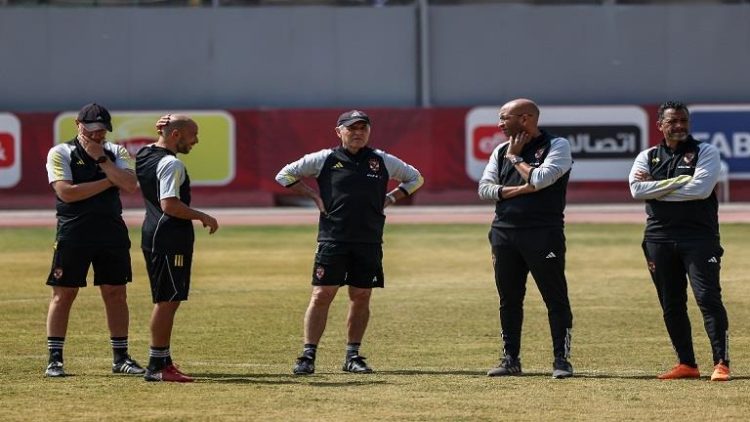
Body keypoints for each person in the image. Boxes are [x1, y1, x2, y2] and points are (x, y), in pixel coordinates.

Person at [276, 110, 423, 375]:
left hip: (368, 240)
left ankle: (352, 356)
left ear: (369, 131)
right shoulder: (324, 159)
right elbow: (284, 176)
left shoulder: (382, 160)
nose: (357, 133)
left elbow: (416, 178)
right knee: (322, 294)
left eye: (362, 128)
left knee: (361, 296)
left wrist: (391, 198)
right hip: (333, 238)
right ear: (339, 132)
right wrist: (313, 195)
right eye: (351, 128)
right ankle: (308, 355)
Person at [629, 101, 730, 381]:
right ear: (660, 125)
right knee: (671, 303)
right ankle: (687, 364)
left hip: (699, 237)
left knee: (707, 298)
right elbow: (637, 190)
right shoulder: (647, 156)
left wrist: (656, 185)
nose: (679, 126)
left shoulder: (705, 152)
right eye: (672, 121)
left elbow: (700, 190)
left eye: (683, 121)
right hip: (658, 238)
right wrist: (680, 181)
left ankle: (721, 363)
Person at [44, 103, 144, 377]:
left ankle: (120, 358)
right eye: (92, 129)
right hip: (73, 232)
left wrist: (102, 161)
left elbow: (130, 184)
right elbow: (67, 193)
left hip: (111, 232)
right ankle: (55, 360)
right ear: (78, 125)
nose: (97, 135)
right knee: (64, 293)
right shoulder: (60, 152)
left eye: (102, 130)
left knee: (116, 292)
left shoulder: (115, 152)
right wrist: (110, 181)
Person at [478, 98, 574, 379]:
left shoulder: (557, 146)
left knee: (554, 297)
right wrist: (521, 189)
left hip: (543, 233)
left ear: (525, 118)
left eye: (504, 117)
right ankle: (510, 359)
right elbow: (484, 189)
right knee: (509, 299)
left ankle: (561, 361)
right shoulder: (499, 150)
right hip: (503, 233)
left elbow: (541, 179)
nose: (499, 123)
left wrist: (515, 158)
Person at [135, 114, 219, 382]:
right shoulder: (171, 164)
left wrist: (161, 129)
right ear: (175, 135)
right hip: (169, 239)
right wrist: (202, 216)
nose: (196, 141)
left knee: (167, 299)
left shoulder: (145, 154)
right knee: (167, 302)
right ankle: (157, 365)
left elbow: (154, 145)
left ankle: (163, 360)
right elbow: (170, 205)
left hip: (153, 234)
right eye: (193, 135)